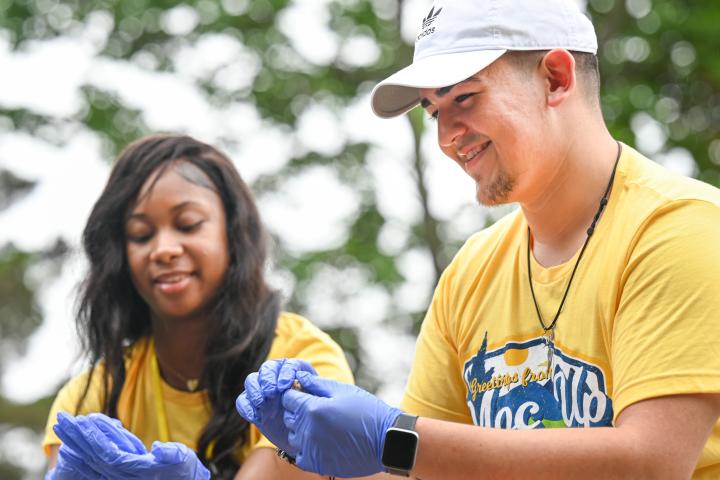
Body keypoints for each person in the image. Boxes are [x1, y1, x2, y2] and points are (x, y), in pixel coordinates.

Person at [236, 0, 720, 478]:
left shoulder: (681, 229)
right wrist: (303, 444)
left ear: (556, 78)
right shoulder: (472, 270)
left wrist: (394, 438)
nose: (447, 136)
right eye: (433, 111)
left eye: (464, 97)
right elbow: (421, 470)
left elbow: (649, 464)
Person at [42, 134, 356, 480]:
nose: (163, 249)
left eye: (188, 224)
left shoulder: (302, 359)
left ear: (232, 233)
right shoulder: (90, 398)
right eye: (141, 234)